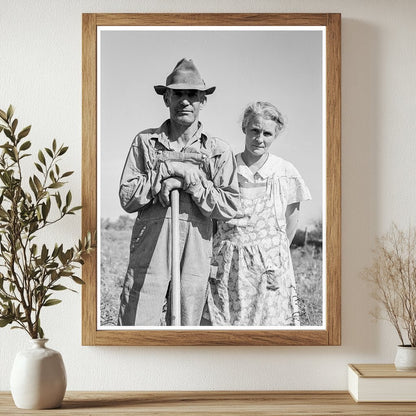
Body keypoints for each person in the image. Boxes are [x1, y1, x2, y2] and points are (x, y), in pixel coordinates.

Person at [118, 58, 240, 326]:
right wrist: (165, 170)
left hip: (197, 244)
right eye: (178, 94)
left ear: (202, 101)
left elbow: (230, 206)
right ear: (166, 98)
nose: (185, 101)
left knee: (187, 324)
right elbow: (127, 197)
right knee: (138, 321)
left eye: (192, 95)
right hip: (151, 243)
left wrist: (189, 182)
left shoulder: (218, 150)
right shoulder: (145, 142)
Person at [207, 101, 311, 326]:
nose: (259, 138)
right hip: (229, 262)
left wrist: (274, 253)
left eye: (267, 133)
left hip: (269, 266)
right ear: (245, 127)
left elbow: (291, 218)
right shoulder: (226, 168)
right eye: (255, 130)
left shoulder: (284, 171)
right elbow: (213, 218)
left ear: (275, 135)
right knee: (226, 323)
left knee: (268, 328)